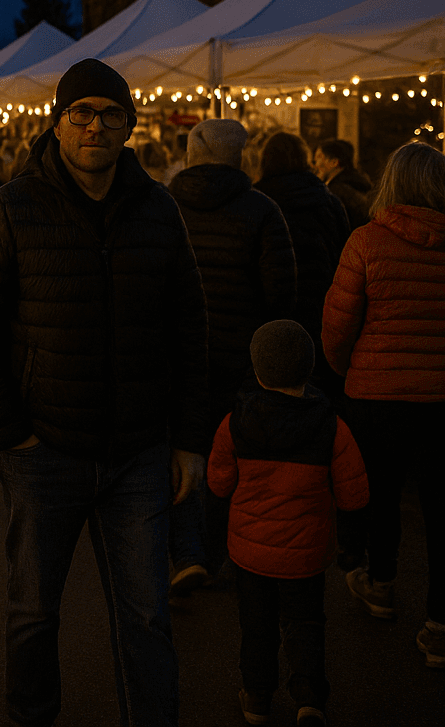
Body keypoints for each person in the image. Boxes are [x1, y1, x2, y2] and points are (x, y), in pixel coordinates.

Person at [0, 58, 210, 727]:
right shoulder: (9, 208)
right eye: (82, 113)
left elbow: (188, 326)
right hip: (45, 450)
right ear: (58, 124)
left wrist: (186, 439)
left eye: (110, 113)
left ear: (128, 125)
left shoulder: (158, 208)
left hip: (137, 450)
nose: (96, 125)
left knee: (147, 616)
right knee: (34, 612)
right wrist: (9, 429)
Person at [207, 320, 368, 727]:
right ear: (309, 368)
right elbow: (354, 494)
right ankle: (310, 699)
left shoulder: (234, 423)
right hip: (306, 555)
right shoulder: (332, 426)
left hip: (250, 553)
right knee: (306, 624)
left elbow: (218, 483)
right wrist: (351, 547)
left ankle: (257, 698)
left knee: (256, 626)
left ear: (258, 370)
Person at [322, 141, 445, 666]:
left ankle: (381, 584)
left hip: (376, 393)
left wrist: (344, 368)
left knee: (381, 497)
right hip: (441, 397)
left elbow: (338, 322)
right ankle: (439, 624)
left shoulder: (366, 241)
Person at [165, 119, 298, 597]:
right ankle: (218, 549)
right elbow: (282, 293)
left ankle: (185, 552)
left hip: (175, 351)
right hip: (239, 354)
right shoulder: (262, 210)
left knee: (182, 444)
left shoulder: (164, 205)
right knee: (228, 455)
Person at [254, 132, 349, 390]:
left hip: (270, 317)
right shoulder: (329, 202)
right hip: (321, 311)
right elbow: (343, 258)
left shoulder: (256, 204)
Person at [313, 138, 372, 233]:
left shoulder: (334, 193)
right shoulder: (360, 185)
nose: (315, 163)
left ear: (334, 162)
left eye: (319, 156)